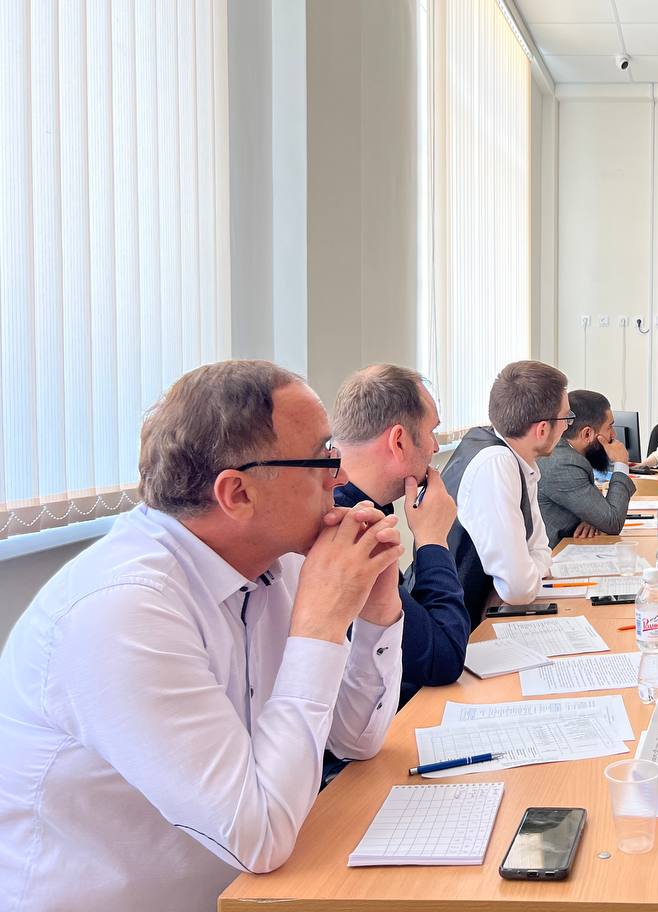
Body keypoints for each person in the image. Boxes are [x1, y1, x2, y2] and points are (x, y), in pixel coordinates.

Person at [0, 361, 405, 911]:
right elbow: (257, 837)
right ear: (237, 493)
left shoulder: (275, 562)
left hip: (244, 889)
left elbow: (355, 741)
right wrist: (319, 627)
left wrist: (377, 609)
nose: (338, 477)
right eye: (322, 459)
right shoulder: (121, 612)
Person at [330, 364, 469, 706]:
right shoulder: (347, 529)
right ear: (399, 441)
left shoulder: (359, 507)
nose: (435, 447)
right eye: (432, 431)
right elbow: (442, 658)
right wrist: (433, 540)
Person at [442, 360, 568, 628]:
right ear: (542, 429)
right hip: (462, 631)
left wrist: (529, 571)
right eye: (566, 419)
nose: (567, 427)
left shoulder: (514, 458)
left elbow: (539, 548)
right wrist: (527, 574)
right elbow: (518, 589)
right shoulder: (496, 464)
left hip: (478, 620)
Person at [538, 389, 637, 548]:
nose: (614, 435)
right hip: (553, 556)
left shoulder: (564, 453)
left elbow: (604, 516)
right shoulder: (564, 463)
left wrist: (594, 518)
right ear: (587, 434)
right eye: (610, 427)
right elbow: (613, 522)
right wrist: (621, 463)